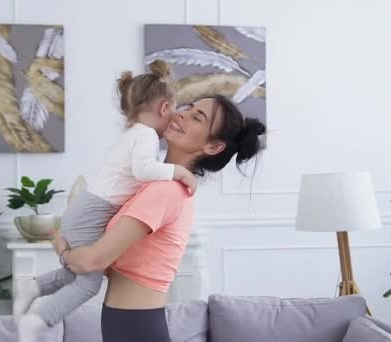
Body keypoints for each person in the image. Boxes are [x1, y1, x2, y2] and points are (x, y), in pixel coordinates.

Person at [50, 95, 265, 341]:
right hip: (130, 323)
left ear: (213, 147)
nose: (183, 114)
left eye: (197, 117)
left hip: (136, 326)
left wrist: (64, 251)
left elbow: (93, 261)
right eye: (188, 107)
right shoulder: (160, 185)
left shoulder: (165, 191)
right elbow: (112, 264)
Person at [13, 60, 198, 340]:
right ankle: (39, 319)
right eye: (176, 110)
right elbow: (143, 170)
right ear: (163, 108)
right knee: (88, 285)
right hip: (92, 211)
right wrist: (179, 171)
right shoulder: (147, 137)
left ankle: (35, 287)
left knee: (81, 275)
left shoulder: (135, 134)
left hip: (87, 209)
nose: (177, 117)